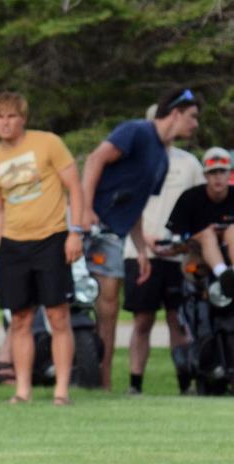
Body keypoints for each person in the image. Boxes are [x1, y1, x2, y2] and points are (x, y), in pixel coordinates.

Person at [82, 87, 200, 389]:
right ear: (174, 113)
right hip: (83, 224)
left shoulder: (162, 159)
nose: (196, 124)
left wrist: (142, 250)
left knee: (108, 305)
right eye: (192, 116)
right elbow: (95, 160)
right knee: (60, 301)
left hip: (114, 235)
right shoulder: (136, 131)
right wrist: (84, 209)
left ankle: (102, 382)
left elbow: (135, 207)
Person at [0, 91, 84, 405]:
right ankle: (22, 390)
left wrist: (75, 232)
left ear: (22, 118)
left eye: (11, 116)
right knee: (20, 319)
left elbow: (75, 188)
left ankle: (61, 390)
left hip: (51, 237)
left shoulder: (48, 143)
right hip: (13, 244)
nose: (5, 123)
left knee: (57, 316)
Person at [123, 104, 204, 395]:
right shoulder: (135, 163)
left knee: (178, 319)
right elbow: (127, 206)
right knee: (142, 319)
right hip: (139, 252)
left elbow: (199, 206)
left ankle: (186, 381)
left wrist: (187, 245)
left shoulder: (189, 163)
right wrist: (143, 239)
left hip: (177, 254)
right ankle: (135, 383)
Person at [166, 148, 234, 293]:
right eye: (213, 172)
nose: (218, 177)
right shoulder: (190, 197)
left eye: (222, 171)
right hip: (197, 255)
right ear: (205, 175)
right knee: (207, 235)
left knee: (232, 231)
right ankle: (224, 276)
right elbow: (177, 236)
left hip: (229, 248)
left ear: (230, 173)